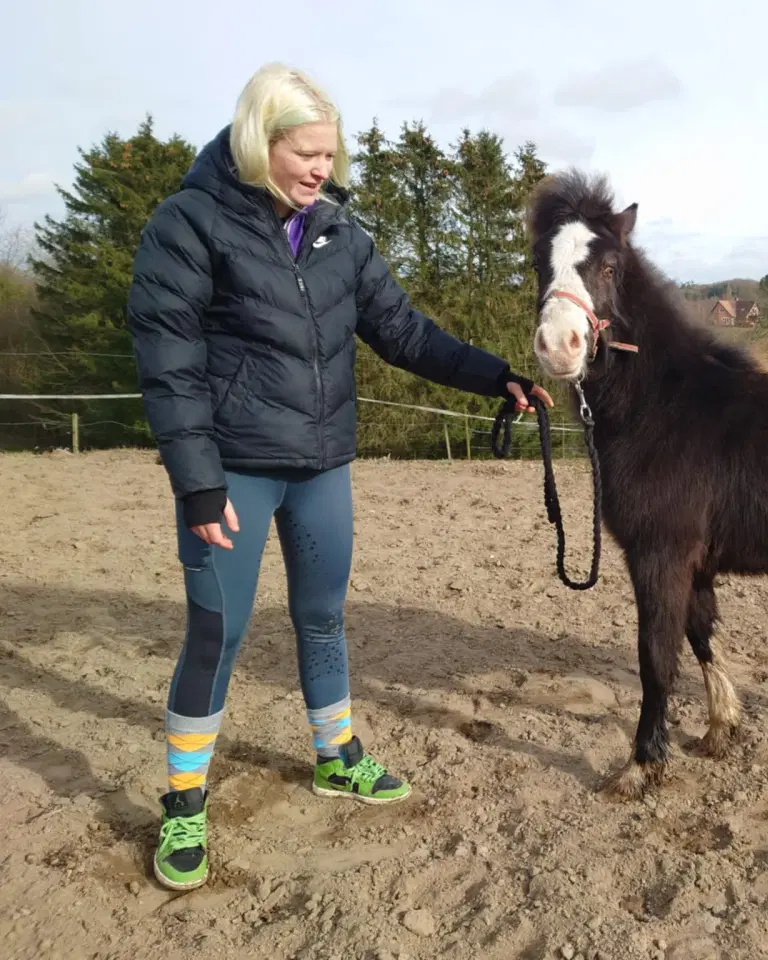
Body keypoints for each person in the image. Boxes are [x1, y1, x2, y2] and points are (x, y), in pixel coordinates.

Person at [126, 61, 553, 892]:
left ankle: (337, 755)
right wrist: (197, 482)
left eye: (331, 154)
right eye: (307, 153)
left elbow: (403, 331)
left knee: (323, 617)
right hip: (235, 473)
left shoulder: (338, 235)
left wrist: (492, 374)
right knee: (218, 633)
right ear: (261, 141)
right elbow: (168, 365)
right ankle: (183, 801)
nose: (323, 169)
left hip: (323, 466)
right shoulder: (188, 225)